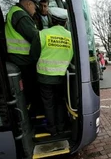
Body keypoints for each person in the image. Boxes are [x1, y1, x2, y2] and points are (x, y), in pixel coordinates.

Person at [32, 7, 73, 135]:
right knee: (60, 102)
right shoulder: (71, 37)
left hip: (44, 77)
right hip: (61, 77)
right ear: (65, 21)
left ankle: (52, 129)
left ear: (51, 19)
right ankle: (61, 127)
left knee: (48, 104)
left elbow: (33, 55)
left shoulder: (42, 34)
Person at [5, 0, 42, 116]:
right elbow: (35, 37)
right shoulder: (21, 15)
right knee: (30, 88)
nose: (35, 10)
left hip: (19, 57)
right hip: (22, 59)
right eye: (35, 7)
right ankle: (32, 114)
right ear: (28, 3)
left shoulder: (16, 12)